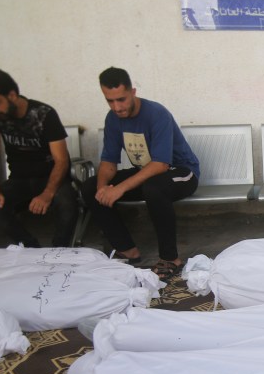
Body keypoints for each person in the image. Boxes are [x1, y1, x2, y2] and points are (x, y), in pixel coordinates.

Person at [82, 67, 200, 280]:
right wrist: (103, 190)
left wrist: (118, 189)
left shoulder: (156, 114)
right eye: (110, 101)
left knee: (154, 188)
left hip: (181, 173)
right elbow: (108, 161)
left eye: (121, 99)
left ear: (133, 92)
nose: (117, 107)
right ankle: (126, 249)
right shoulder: (112, 119)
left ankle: (170, 259)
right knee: (90, 187)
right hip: (148, 174)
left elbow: (161, 165)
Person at [0, 68, 78, 248]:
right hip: (19, 178)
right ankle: (30, 248)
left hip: (51, 177)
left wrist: (47, 194)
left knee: (68, 205)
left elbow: (61, 161)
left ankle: (60, 251)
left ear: (12, 95)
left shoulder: (44, 114)